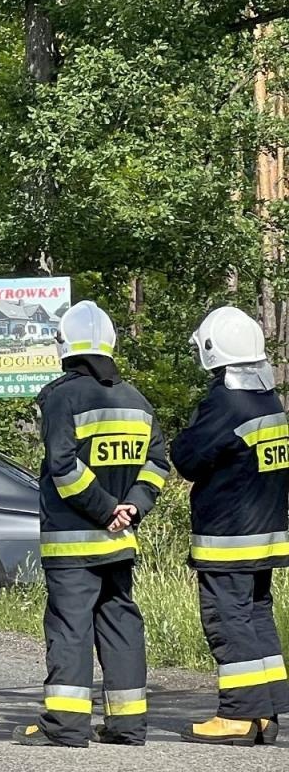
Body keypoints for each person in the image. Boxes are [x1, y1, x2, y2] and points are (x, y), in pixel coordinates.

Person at [14, 300, 170, 748]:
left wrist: (105, 509)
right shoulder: (136, 400)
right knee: (120, 624)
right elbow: (158, 465)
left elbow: (62, 468)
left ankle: (64, 726)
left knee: (70, 627)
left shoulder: (62, 396)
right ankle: (127, 725)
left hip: (73, 542)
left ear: (66, 346)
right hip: (120, 541)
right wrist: (131, 509)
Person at [170, 306, 289, 745]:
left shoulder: (225, 402)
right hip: (267, 532)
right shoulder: (267, 399)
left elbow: (186, 458)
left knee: (227, 619)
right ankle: (267, 708)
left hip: (229, 536)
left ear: (210, 351)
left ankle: (238, 714)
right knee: (257, 614)